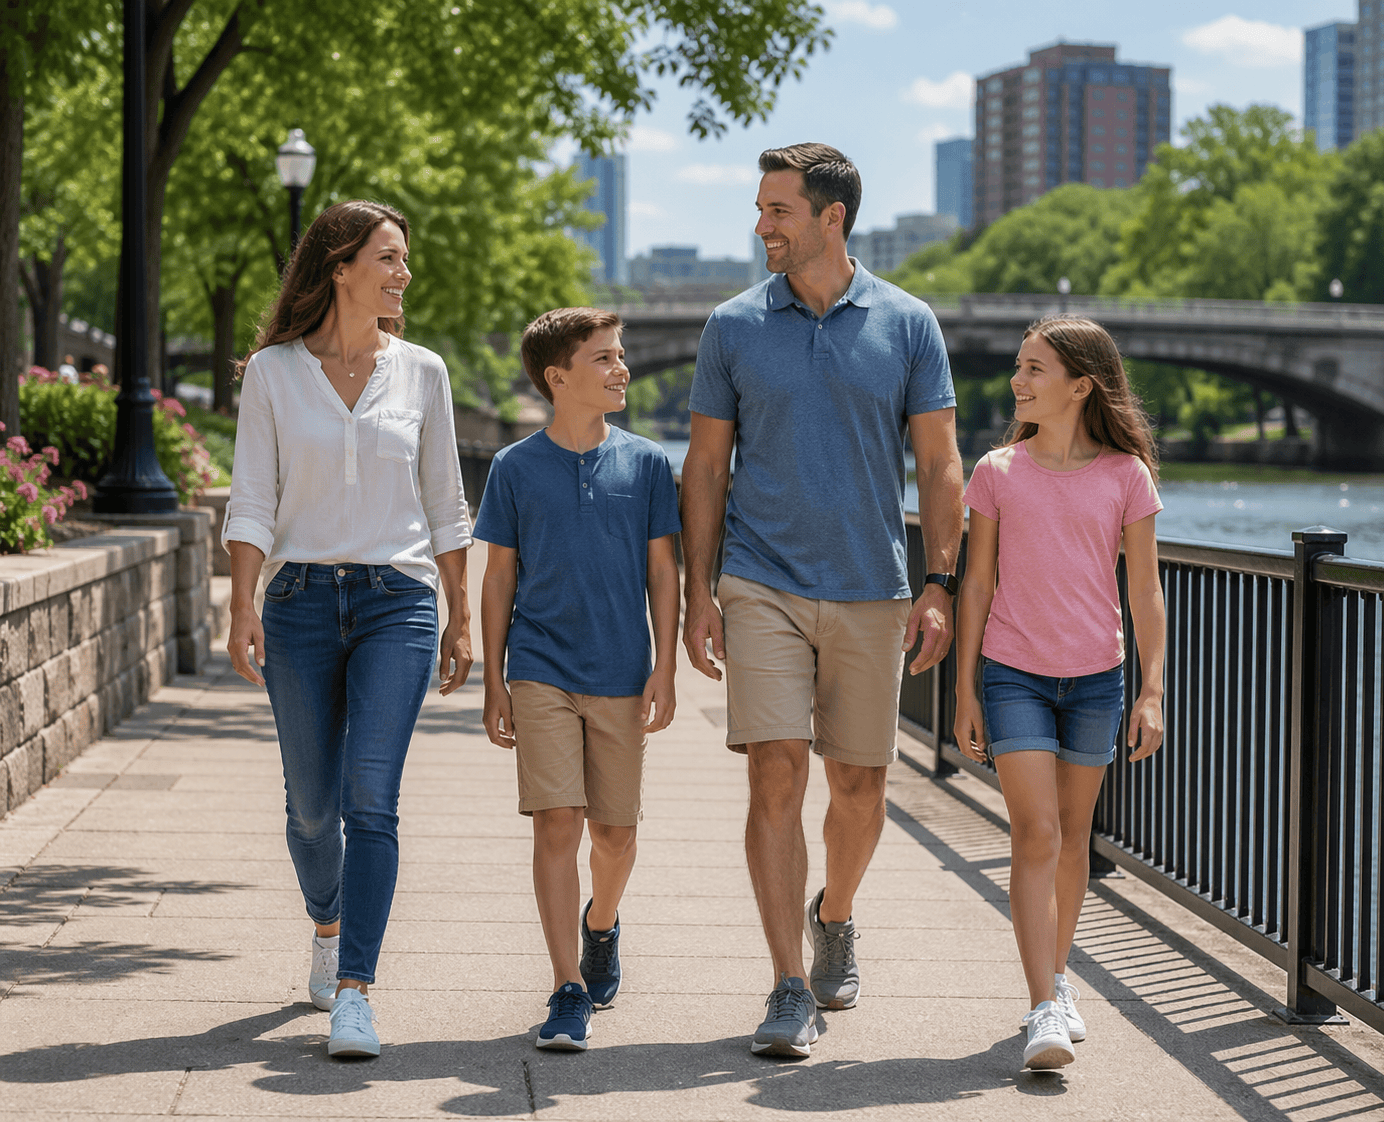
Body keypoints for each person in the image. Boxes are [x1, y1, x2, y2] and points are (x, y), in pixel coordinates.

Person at [682, 143, 964, 1058]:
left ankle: (834, 914)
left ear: (830, 217)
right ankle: (787, 985)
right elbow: (706, 468)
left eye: (778, 210)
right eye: (760, 209)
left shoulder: (908, 323)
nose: (761, 225)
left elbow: (940, 463)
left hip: (872, 586)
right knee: (776, 773)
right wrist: (698, 592)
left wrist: (940, 583)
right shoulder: (731, 326)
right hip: (759, 580)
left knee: (859, 786)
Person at [222, 200, 473, 1059]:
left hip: (397, 601)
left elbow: (445, 502)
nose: (405, 273)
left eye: (404, 258)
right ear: (340, 268)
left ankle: (356, 992)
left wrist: (460, 614)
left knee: (372, 800)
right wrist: (242, 604)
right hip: (297, 601)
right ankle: (327, 927)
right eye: (389, 258)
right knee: (311, 810)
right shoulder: (273, 373)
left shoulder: (424, 372)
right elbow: (252, 496)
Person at [954, 314, 1166, 1071]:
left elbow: (1145, 591)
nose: (1018, 380)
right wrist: (965, 689)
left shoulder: (1126, 476)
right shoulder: (996, 472)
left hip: (1097, 680)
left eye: (1034, 368)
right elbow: (977, 585)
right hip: (1014, 673)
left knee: (1075, 838)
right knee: (1036, 833)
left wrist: (1152, 689)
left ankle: (1059, 975)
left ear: (1081, 385)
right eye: (1019, 366)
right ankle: (1042, 1004)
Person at [474, 307, 681, 1052]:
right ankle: (567, 987)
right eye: (604, 358)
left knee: (615, 834)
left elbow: (664, 571)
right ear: (558, 378)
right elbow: (499, 577)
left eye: (622, 355)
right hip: (540, 668)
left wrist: (665, 665)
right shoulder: (514, 467)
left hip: (621, 670)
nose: (622, 368)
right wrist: (495, 680)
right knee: (557, 823)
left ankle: (602, 923)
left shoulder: (648, 464)